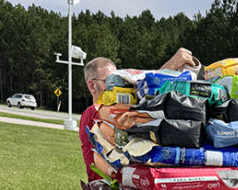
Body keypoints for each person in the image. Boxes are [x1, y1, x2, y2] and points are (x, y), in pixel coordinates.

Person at [79, 47, 197, 180]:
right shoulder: (93, 115)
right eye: (109, 81)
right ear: (92, 86)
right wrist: (170, 66)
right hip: (109, 188)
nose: (118, 85)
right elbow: (142, 102)